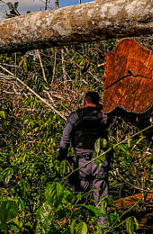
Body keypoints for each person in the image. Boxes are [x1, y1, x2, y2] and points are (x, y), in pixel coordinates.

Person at [57, 91, 111, 225]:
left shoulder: (76, 116)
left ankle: (75, 225)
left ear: (84, 102)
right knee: (102, 200)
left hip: (82, 163)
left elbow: (65, 138)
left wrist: (62, 157)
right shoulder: (103, 116)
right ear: (98, 102)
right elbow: (111, 113)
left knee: (79, 199)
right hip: (99, 162)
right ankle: (103, 228)